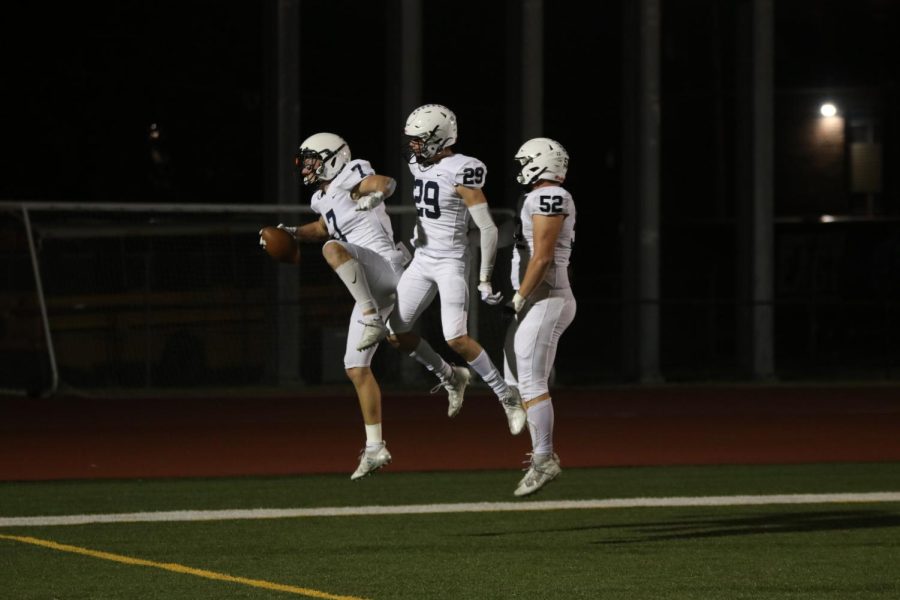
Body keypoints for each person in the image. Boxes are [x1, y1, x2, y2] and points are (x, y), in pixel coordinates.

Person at [260, 132, 408, 480]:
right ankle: (375, 447)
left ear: (333, 158)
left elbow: (384, 182)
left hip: (387, 268)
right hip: (370, 283)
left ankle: (372, 317)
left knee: (333, 250)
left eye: (312, 159)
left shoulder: (351, 174)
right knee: (355, 367)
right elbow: (325, 227)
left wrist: (376, 195)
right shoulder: (323, 197)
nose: (307, 167)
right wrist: (292, 232)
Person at [376, 104, 525, 433]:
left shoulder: (462, 169)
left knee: (456, 337)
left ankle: (507, 397)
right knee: (395, 333)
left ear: (437, 138)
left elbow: (486, 228)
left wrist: (485, 278)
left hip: (450, 261)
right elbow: (398, 172)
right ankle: (450, 376)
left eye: (418, 140)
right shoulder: (421, 163)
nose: (412, 147)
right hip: (423, 258)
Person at [505, 137, 577, 497]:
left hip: (546, 297)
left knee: (532, 382)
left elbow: (543, 255)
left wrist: (518, 297)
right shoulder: (536, 197)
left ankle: (543, 458)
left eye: (524, 162)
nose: (519, 168)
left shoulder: (550, 196)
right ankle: (522, 414)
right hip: (539, 298)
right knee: (514, 375)